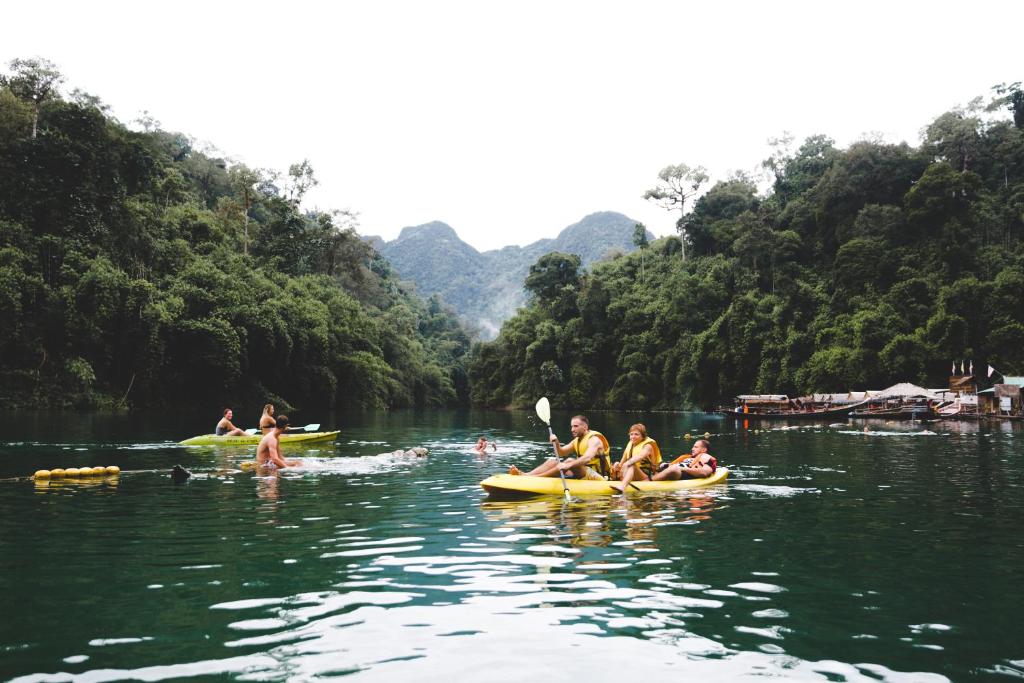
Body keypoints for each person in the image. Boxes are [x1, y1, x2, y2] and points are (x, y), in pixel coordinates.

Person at [508, 414, 611, 480]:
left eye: (575, 426)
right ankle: (527, 474)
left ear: (585, 427)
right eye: (571, 426)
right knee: (553, 461)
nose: (572, 429)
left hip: (599, 477)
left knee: (569, 461)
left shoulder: (594, 440)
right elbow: (561, 452)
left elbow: (587, 458)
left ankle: (533, 478)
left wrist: (568, 465)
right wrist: (556, 443)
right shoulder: (577, 440)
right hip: (584, 472)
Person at [609, 423, 662, 493]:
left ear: (643, 436)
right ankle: (614, 481)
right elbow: (622, 462)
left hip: (644, 476)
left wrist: (627, 463)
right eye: (631, 434)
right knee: (616, 464)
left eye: (636, 434)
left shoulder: (648, 446)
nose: (633, 437)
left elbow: (640, 456)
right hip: (631, 473)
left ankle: (622, 486)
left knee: (631, 465)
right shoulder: (630, 444)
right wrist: (617, 468)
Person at [653, 438, 717, 481]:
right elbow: (671, 465)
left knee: (674, 469)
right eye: (693, 447)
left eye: (696, 447)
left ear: (704, 450)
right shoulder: (686, 457)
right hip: (673, 471)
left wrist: (682, 469)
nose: (692, 449)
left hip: (682, 474)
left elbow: (704, 472)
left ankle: (650, 480)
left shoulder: (706, 457)